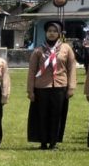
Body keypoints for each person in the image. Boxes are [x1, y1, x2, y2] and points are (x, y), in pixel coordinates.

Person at [27, 20, 77, 149]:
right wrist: (30, 90)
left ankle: (54, 142)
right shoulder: (38, 50)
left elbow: (72, 68)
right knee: (42, 114)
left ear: (59, 34)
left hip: (60, 86)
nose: (52, 34)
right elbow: (32, 71)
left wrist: (71, 87)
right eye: (49, 31)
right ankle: (43, 142)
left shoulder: (66, 49)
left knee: (57, 114)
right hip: (41, 87)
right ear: (46, 33)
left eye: (55, 31)